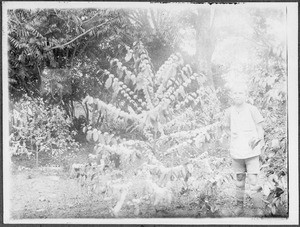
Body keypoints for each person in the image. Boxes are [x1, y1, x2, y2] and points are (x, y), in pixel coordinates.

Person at [224, 84, 265, 216]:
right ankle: (239, 207)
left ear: (245, 95)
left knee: (253, 180)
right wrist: (234, 137)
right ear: (232, 95)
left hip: (251, 151)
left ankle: (258, 208)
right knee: (239, 180)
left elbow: (260, 128)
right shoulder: (229, 111)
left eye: (240, 93)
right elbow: (226, 128)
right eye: (235, 93)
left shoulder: (252, 109)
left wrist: (260, 142)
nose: (237, 95)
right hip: (237, 151)